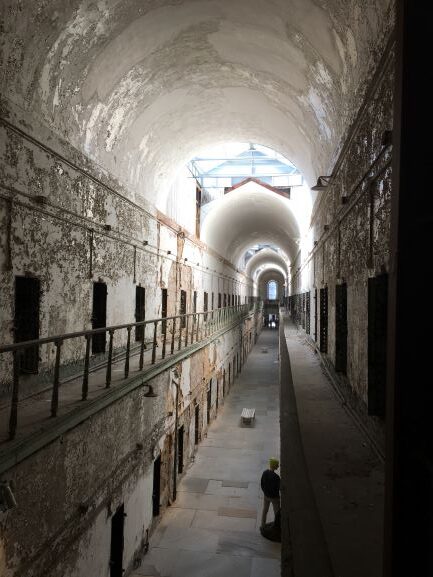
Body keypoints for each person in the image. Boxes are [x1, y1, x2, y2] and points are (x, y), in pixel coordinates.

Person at [260, 457, 280, 530]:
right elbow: (279, 488)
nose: (278, 466)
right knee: (277, 513)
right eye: (277, 465)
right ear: (274, 466)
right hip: (274, 498)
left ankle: (262, 525)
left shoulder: (265, 473)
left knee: (265, 511)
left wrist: (265, 492)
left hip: (266, 496)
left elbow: (262, 484)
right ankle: (277, 527)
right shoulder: (276, 477)